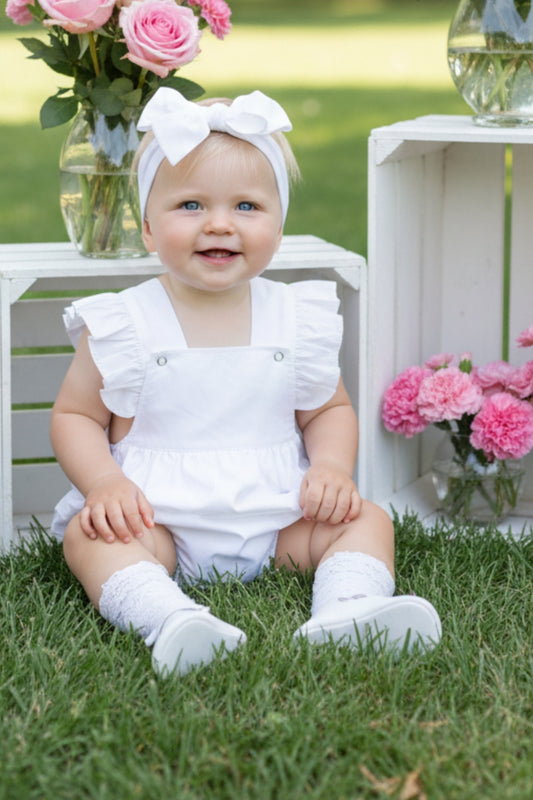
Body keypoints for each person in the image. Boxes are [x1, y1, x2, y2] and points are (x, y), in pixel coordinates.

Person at [50, 88, 441, 676]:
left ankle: (349, 606)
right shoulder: (124, 322)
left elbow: (327, 409)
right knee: (91, 538)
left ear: (278, 229)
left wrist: (331, 468)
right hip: (157, 523)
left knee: (368, 518)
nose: (219, 224)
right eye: (190, 205)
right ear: (148, 227)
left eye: (247, 206)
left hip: (278, 517)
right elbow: (75, 415)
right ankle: (167, 615)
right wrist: (104, 482)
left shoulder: (297, 317)